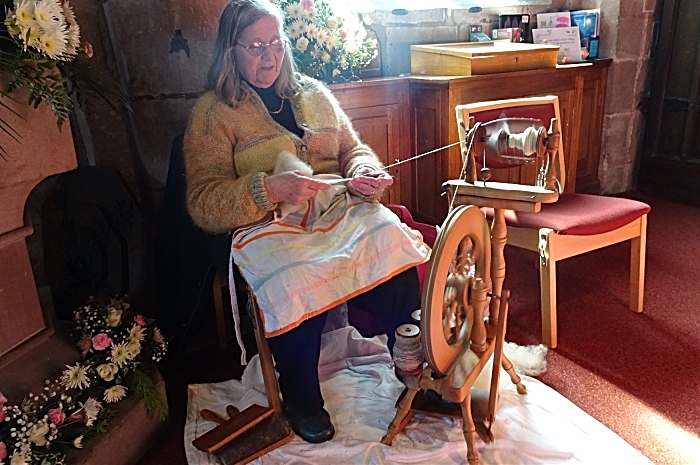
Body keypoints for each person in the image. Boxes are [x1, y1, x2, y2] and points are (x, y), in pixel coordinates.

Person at [183, 0, 421, 444]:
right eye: (255, 46)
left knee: (390, 238)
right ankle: (301, 397)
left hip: (334, 208)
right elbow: (201, 202)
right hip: (265, 224)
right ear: (230, 50)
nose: (269, 57)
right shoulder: (213, 113)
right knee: (295, 275)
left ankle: (413, 363)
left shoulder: (313, 92)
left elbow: (354, 149)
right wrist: (268, 190)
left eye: (275, 43)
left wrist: (364, 170)